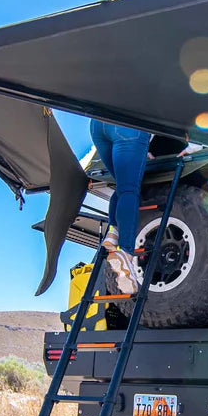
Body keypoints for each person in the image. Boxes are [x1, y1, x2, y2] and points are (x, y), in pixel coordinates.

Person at [89, 120, 152, 294]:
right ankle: (126, 252)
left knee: (121, 183)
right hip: (129, 125)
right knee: (129, 190)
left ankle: (113, 232)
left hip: (97, 126)